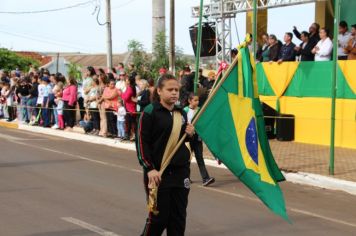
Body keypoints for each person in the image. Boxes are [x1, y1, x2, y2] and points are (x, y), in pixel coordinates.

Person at [137, 74, 195, 236]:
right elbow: (142, 143)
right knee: (158, 218)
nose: (174, 93)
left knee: (178, 218)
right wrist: (149, 168)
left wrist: (190, 134)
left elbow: (181, 141)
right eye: (170, 89)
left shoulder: (180, 114)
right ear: (160, 91)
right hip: (158, 173)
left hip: (180, 172)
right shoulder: (150, 112)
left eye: (176, 90)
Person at [184, 93, 215, 186]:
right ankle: (185, 177)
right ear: (190, 101)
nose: (197, 102)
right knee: (186, 159)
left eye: (198, 100)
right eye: (195, 100)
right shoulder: (184, 110)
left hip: (197, 138)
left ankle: (205, 178)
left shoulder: (200, 110)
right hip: (187, 138)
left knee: (200, 158)